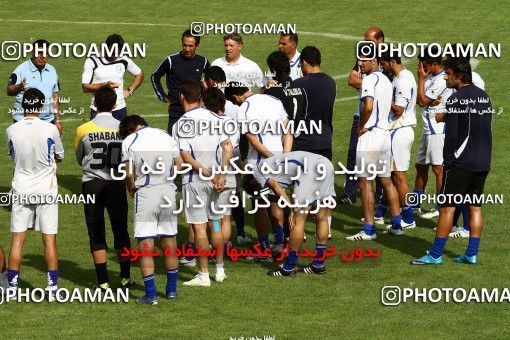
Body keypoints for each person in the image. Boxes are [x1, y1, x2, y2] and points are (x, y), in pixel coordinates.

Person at [411, 58, 493, 265]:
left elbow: (453, 136)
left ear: (460, 75)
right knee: (475, 207)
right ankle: (471, 253)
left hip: (461, 163)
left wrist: (448, 163)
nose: (445, 77)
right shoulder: (484, 97)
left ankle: (436, 255)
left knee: (447, 207)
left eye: (448, 74)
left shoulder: (456, 99)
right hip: (482, 162)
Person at [173, 81, 233, 286]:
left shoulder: (180, 124)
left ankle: (203, 275)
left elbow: (184, 156)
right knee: (215, 224)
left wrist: (205, 172)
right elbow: (228, 148)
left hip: (195, 181)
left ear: (182, 96)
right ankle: (220, 270)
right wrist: (221, 173)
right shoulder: (216, 118)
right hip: (217, 182)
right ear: (200, 96)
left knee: (199, 228)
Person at [6, 88, 64, 299]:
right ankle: (52, 289)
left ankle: (12, 287)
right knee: (49, 240)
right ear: (42, 106)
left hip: (21, 188)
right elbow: (59, 156)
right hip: (46, 189)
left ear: (23, 106)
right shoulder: (50, 130)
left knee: (18, 239)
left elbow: (12, 156)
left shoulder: (12, 130)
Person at [119, 115, 183, 304]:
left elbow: (128, 172)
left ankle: (151, 294)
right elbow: (179, 164)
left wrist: (131, 187)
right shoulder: (165, 135)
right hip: (168, 191)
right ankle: (171, 291)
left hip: (146, 192)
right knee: (169, 241)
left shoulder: (130, 141)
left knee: (145, 244)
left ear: (130, 130)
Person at [225, 83, 292, 262]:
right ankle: (280, 244)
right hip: (281, 157)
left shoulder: (244, 109)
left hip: (260, 163)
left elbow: (253, 141)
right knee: (276, 201)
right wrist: (284, 156)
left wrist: (270, 157)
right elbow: (288, 131)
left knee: (259, 206)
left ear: (235, 98)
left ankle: (264, 249)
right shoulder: (274, 100)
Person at [74, 86, 132, 290]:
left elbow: (80, 158)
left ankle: (103, 281)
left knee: (96, 231)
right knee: (121, 230)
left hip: (92, 184)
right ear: (115, 104)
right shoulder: (123, 128)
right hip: (116, 184)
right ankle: (125, 277)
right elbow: (127, 160)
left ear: (94, 103)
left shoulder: (83, 129)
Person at [346, 45, 403, 241]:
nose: (360, 63)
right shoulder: (387, 80)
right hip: (385, 135)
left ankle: (369, 229)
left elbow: (368, 106)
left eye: (364, 60)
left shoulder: (369, 79)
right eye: (359, 59)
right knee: (386, 180)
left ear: (374, 61)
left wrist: (361, 126)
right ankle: (397, 224)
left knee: (364, 181)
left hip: (370, 136)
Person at [252, 151, 336, 276]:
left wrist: (291, 209)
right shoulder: (275, 165)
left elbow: (275, 186)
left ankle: (288, 266)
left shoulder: (257, 172)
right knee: (322, 217)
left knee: (297, 220)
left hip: (309, 169)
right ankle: (318, 264)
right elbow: (293, 184)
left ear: (253, 183)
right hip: (326, 164)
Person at [340, 27, 385, 205]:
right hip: (360, 114)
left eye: (369, 40)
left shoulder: (388, 58)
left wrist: (366, 84)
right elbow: (352, 79)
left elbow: (387, 84)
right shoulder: (363, 56)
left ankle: (381, 196)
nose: (365, 43)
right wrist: (373, 84)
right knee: (353, 154)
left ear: (380, 41)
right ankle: (349, 193)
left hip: (380, 117)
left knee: (381, 159)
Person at [412, 46, 454, 219]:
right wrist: (423, 84)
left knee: (438, 169)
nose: (421, 67)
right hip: (427, 128)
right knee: (420, 167)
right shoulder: (431, 76)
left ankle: (439, 206)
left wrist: (420, 79)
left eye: (425, 64)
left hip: (438, 130)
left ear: (435, 64)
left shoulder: (440, 80)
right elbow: (419, 100)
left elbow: (421, 101)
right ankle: (414, 205)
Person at [379, 51, 417, 229]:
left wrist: (384, 97)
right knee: (394, 174)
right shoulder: (404, 75)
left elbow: (399, 109)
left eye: (383, 64)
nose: (382, 67)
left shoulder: (402, 80)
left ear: (392, 62)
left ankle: (408, 218)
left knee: (399, 175)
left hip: (399, 130)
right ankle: (382, 211)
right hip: (400, 130)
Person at [151, 29, 210, 134]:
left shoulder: (203, 61)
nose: (187, 49)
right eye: (184, 45)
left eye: (190, 46)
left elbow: (211, 78)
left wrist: (205, 95)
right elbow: (155, 76)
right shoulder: (171, 60)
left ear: (197, 46)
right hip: (176, 109)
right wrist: (162, 96)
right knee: (173, 140)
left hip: (196, 109)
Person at [82, 34, 144, 120]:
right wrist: (105, 86)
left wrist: (129, 91)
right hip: (98, 110)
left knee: (121, 134)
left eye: (118, 52)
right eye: (113, 51)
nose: (115, 55)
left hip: (119, 109)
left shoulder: (124, 60)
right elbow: (85, 87)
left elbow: (139, 74)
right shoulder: (92, 61)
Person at [7, 39, 63, 134]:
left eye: (46, 53)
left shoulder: (52, 70)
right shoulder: (21, 70)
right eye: (39, 53)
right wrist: (19, 87)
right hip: (23, 122)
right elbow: (9, 90)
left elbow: (54, 96)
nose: (42, 57)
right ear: (32, 53)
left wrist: (57, 120)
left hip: (47, 121)